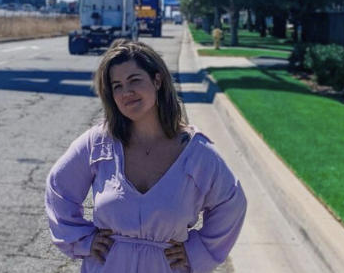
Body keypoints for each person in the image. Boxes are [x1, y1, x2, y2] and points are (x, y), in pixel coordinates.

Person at [45, 39, 246, 272]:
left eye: (134, 80)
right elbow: (58, 187)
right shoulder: (100, 142)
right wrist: (81, 239)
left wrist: (197, 252)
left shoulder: (196, 153)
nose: (126, 92)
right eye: (117, 85)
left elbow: (231, 203)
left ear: (157, 80)